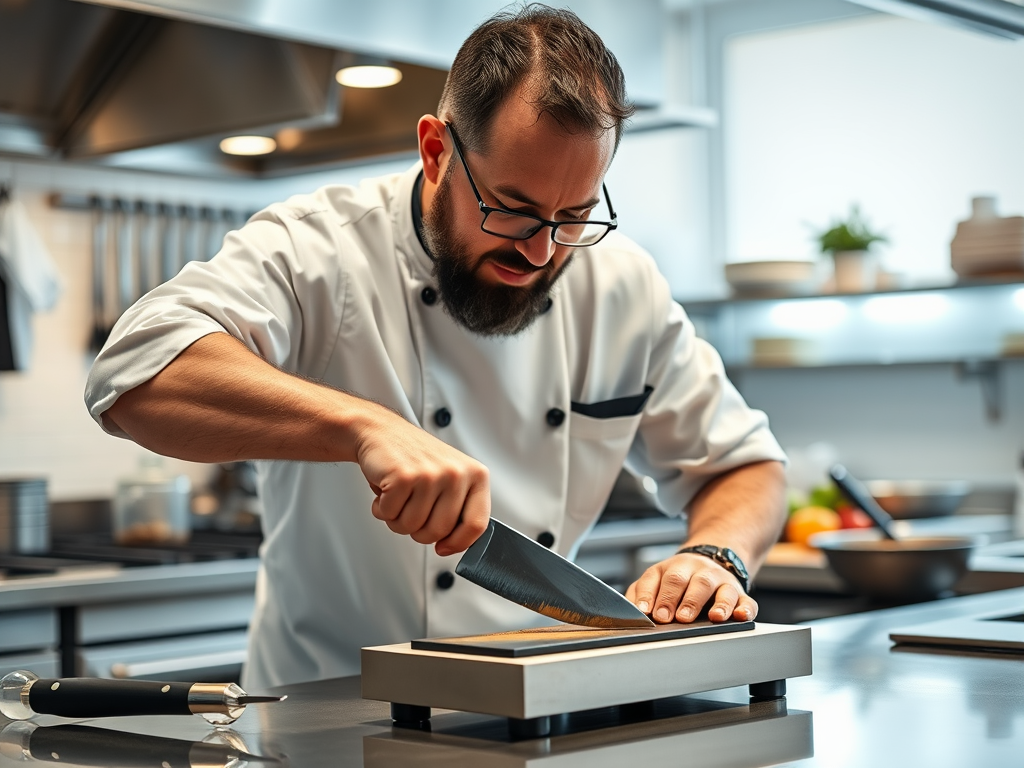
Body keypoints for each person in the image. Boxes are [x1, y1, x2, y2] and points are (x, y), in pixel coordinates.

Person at [85, 5, 787, 690]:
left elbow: (744, 465)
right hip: (330, 716)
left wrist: (713, 555)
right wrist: (364, 427)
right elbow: (135, 373)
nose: (541, 250)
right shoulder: (320, 247)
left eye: (573, 216)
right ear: (435, 151)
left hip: (533, 707)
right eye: (510, 207)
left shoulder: (621, 282)